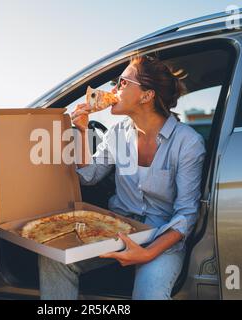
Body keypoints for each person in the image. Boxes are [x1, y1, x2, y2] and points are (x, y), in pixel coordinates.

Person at [38, 55, 206, 300]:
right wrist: (83, 131)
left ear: (146, 96)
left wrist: (147, 254)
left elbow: (186, 214)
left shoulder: (188, 142)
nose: (113, 89)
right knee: (54, 256)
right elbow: (88, 176)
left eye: (122, 82)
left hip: (161, 238)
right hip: (117, 230)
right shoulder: (118, 133)